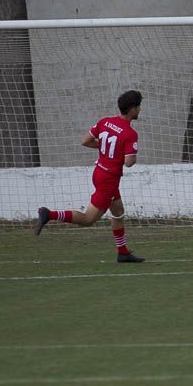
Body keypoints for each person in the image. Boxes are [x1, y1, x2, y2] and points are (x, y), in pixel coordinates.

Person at [34, 90, 145, 263]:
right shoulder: (130, 134)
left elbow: (85, 140)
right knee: (88, 219)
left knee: (117, 211)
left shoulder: (105, 122)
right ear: (132, 109)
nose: (139, 110)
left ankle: (123, 252)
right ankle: (49, 214)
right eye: (138, 106)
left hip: (99, 172)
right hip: (108, 179)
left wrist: (106, 150)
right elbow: (129, 162)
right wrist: (126, 153)